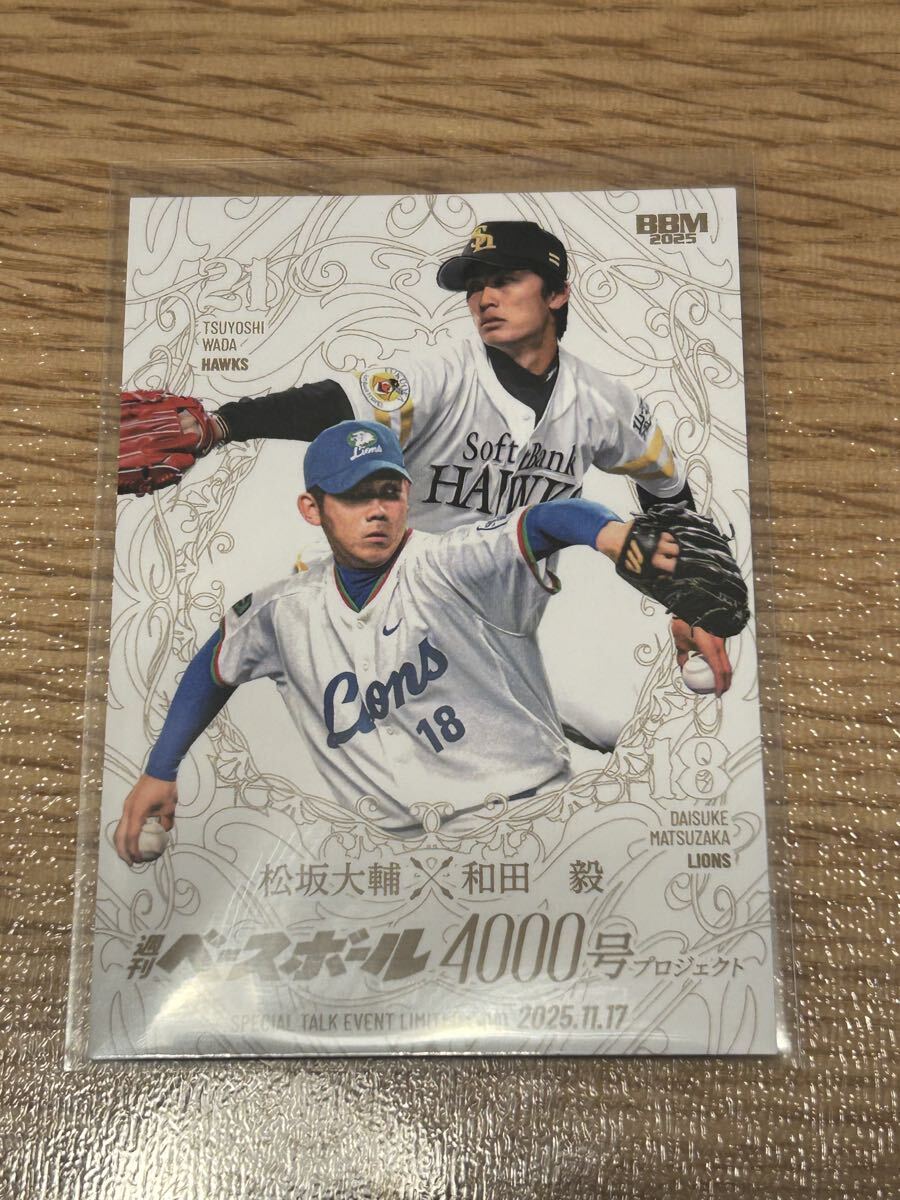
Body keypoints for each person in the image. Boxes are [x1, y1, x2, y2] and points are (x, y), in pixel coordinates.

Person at [126, 220, 732, 745]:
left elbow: (670, 502)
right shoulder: (441, 375)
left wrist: (690, 607)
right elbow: (334, 403)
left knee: (612, 729)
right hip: (390, 608)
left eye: (504, 280)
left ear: (557, 292)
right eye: (475, 286)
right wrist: (222, 425)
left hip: (504, 628)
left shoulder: (606, 403)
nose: (484, 298)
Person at [114, 420, 681, 864]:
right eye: (355, 496)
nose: (377, 511)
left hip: (532, 823)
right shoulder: (283, 612)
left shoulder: (451, 561)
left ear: (407, 495)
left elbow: (542, 522)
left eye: (388, 492)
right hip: (396, 858)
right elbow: (214, 663)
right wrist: (160, 769)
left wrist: (609, 533)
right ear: (312, 508)